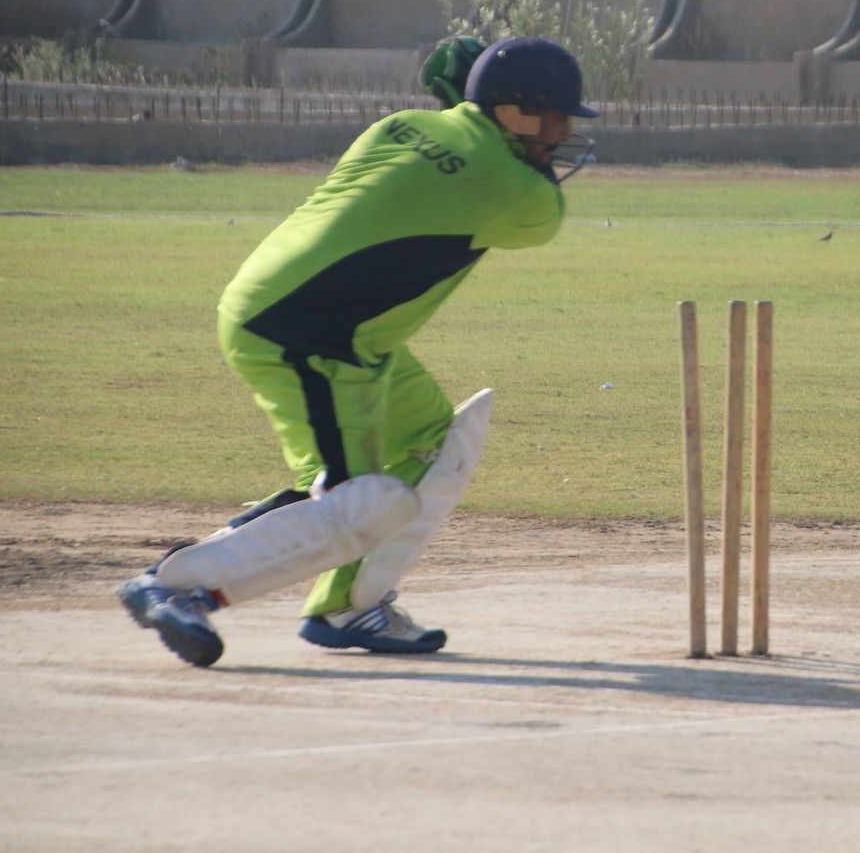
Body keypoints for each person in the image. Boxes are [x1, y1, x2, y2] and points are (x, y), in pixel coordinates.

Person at [118, 35, 599, 668]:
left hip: (324, 326)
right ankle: (177, 586)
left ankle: (349, 606)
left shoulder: (398, 125)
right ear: (517, 112)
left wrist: (471, 102)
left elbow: (440, 167)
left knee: (434, 441)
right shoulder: (525, 196)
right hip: (307, 332)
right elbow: (527, 205)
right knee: (355, 501)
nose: (564, 133)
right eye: (557, 117)